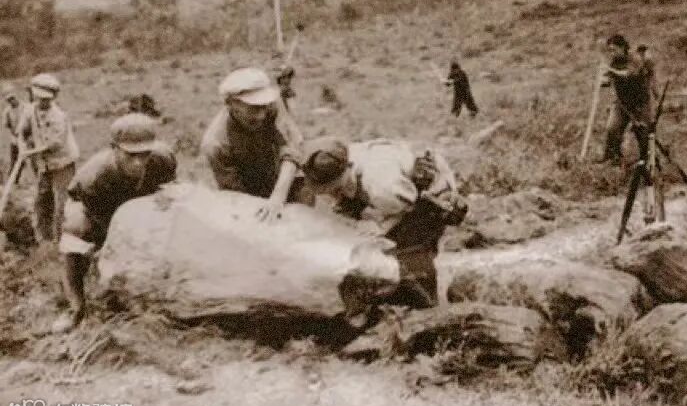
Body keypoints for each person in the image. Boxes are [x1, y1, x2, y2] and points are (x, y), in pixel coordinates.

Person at [298, 136, 466, 311]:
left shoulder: (381, 186)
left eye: (332, 187)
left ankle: (429, 304)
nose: (327, 193)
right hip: (393, 187)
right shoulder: (337, 159)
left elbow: (407, 205)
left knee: (408, 252)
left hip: (426, 195)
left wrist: (379, 227)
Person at [52, 113, 177, 333]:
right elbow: (106, 225)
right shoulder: (95, 177)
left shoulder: (163, 159)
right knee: (74, 235)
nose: (138, 162)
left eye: (144, 154)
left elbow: (170, 191)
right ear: (114, 148)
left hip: (140, 201)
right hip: (94, 207)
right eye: (130, 155)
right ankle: (75, 307)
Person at [201, 67, 305, 202]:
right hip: (249, 191)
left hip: (283, 177)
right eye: (253, 108)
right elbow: (235, 195)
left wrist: (278, 196)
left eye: (264, 106)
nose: (262, 115)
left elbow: (292, 148)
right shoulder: (216, 144)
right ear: (231, 103)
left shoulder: (271, 104)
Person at [17, 73, 79, 242]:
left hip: (62, 163)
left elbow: (54, 144)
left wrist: (29, 152)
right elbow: (22, 132)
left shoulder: (59, 116)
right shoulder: (29, 110)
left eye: (46, 99)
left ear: (52, 98)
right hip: (44, 164)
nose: (42, 102)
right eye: (39, 98)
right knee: (41, 200)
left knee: (61, 203)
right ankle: (43, 240)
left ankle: (61, 240)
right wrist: (22, 145)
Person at [600, 34, 657, 163]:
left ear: (622, 47)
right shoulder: (614, 62)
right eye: (610, 50)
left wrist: (611, 71)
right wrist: (604, 80)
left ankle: (645, 160)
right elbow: (609, 79)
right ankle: (613, 157)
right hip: (621, 103)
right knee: (612, 128)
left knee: (642, 132)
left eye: (614, 49)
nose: (612, 53)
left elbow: (628, 74)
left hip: (640, 102)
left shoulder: (635, 59)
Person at [1, 84, 24, 184]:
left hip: (27, 138)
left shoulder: (25, 107)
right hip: (15, 139)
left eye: (12, 98)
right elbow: (6, 125)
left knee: (34, 161)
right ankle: (14, 181)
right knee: (15, 161)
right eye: (9, 100)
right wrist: (14, 133)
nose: (11, 101)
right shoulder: (7, 111)